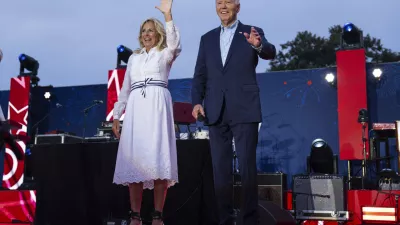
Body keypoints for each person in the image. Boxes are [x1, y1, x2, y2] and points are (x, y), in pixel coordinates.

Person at [191, 0, 276, 224]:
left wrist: (258, 45)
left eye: (228, 1)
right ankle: (225, 220)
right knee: (221, 170)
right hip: (214, 110)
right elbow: (200, 74)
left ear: (237, 6)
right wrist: (196, 102)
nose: (223, 6)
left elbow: (270, 52)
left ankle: (249, 220)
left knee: (247, 167)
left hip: (244, 108)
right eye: (219, 2)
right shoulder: (207, 38)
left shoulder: (252, 31)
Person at [111, 0, 181, 224]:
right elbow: (125, 88)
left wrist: (168, 16)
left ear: (158, 33)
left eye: (151, 30)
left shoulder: (164, 53)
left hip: (157, 107)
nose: (147, 34)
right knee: (135, 164)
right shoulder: (134, 57)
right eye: (144, 31)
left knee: (159, 161)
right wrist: (116, 114)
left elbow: (175, 44)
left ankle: (158, 215)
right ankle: (135, 215)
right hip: (136, 110)